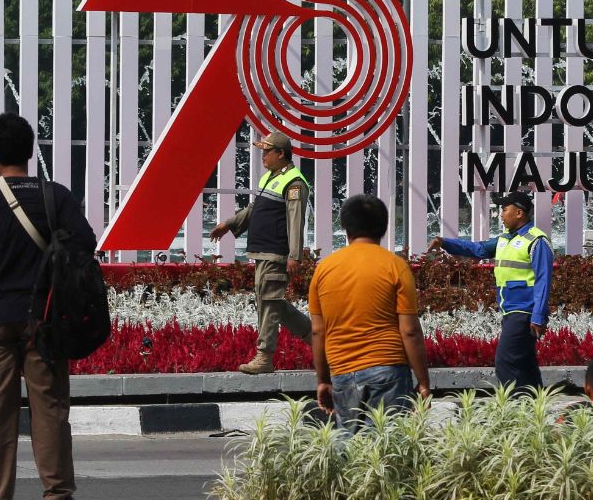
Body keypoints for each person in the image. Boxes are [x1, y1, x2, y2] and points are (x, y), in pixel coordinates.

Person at [0, 113, 95, 500]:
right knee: (50, 406)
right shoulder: (55, 195)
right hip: (45, 318)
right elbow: (85, 244)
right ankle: (57, 497)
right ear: (32, 150)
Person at [308, 194, 431, 434]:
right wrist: (423, 382)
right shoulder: (395, 266)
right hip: (389, 369)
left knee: (351, 448)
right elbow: (410, 331)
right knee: (387, 449)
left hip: (343, 370)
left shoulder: (324, 269)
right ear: (383, 228)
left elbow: (317, 330)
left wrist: (323, 380)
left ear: (345, 227)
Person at [428, 192, 553, 393]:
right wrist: (445, 242)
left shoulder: (537, 241)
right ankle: (534, 409)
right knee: (525, 363)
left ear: (519, 213)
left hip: (524, 312)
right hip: (510, 310)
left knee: (505, 361)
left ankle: (513, 406)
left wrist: (538, 316)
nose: (501, 214)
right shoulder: (504, 240)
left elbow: (543, 280)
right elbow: (477, 249)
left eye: (504, 210)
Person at [210, 131, 312, 375]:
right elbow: (255, 208)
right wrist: (230, 223)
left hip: (275, 252)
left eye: (267, 151)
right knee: (272, 303)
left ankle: (264, 357)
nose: (263, 156)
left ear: (281, 154)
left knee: (269, 303)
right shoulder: (271, 178)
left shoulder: (294, 182)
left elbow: (295, 220)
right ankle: (320, 340)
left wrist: (294, 256)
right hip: (263, 251)